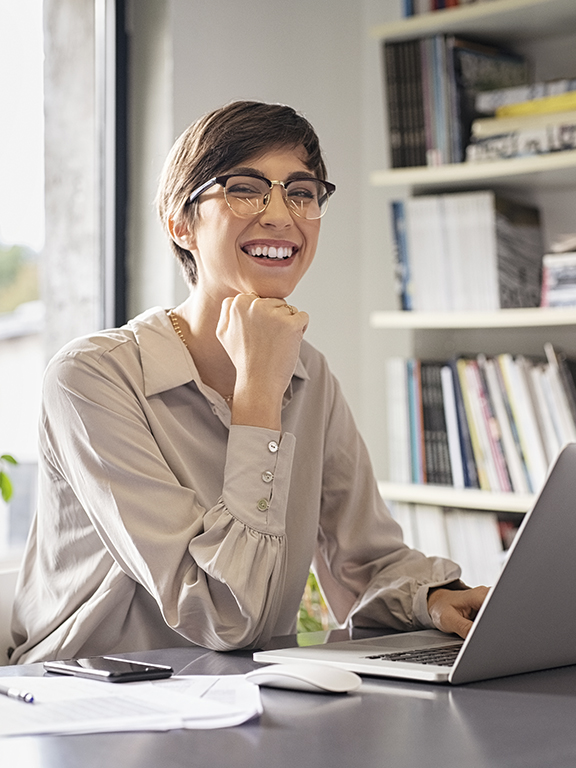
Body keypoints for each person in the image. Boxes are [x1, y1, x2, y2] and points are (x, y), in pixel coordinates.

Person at [9, 101, 487, 664]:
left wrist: (434, 599)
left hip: (237, 693)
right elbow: (221, 616)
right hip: (85, 706)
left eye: (302, 192)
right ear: (180, 223)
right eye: (245, 188)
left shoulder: (311, 374)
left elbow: (364, 563)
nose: (281, 215)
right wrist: (258, 393)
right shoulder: (90, 378)